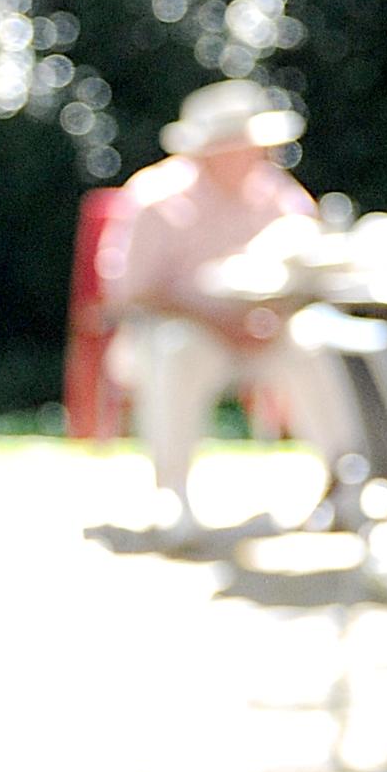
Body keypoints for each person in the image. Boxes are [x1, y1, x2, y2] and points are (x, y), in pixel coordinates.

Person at [100, 80, 331, 543]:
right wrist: (218, 323)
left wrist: (274, 318)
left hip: (267, 330)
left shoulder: (277, 195)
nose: (265, 155)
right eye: (252, 146)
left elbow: (312, 263)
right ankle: (174, 497)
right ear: (217, 149)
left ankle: (343, 481)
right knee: (176, 352)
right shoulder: (154, 198)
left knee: (321, 344)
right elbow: (129, 293)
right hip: (182, 332)